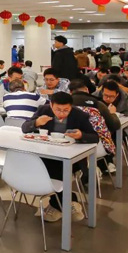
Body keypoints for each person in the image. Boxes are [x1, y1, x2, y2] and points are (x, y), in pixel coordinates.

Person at [22, 92, 97, 222]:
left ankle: (56, 204)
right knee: (47, 167)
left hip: (72, 159)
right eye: (58, 109)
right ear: (51, 105)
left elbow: (95, 137)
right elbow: (24, 128)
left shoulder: (79, 115)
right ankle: (69, 202)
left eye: (66, 110)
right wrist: (37, 122)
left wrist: (81, 135)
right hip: (47, 155)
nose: (61, 113)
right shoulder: (43, 110)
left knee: (58, 169)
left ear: (71, 107)